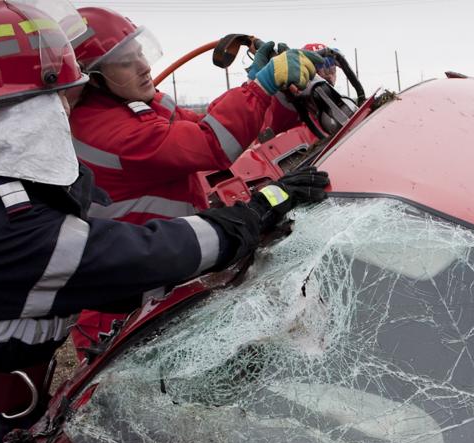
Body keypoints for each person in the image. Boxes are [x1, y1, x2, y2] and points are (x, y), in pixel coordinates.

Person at [0, 0, 329, 443]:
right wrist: (257, 211)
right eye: (60, 100)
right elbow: (146, 253)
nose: (66, 113)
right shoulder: (11, 228)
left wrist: (269, 97)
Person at [69, 7, 314, 355]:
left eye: (140, 52)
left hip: (162, 277)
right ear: (93, 79)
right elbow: (209, 144)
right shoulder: (109, 132)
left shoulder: (135, 107)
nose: (143, 65)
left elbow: (206, 124)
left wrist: (271, 94)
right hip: (125, 311)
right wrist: (260, 88)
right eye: (125, 61)